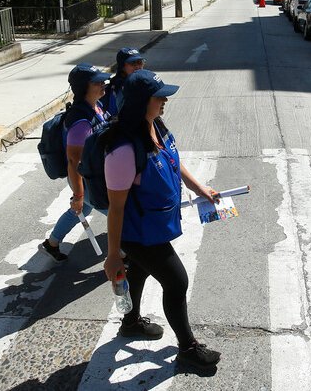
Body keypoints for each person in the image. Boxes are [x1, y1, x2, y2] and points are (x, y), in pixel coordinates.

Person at [101, 69, 222, 371]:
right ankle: (188, 348)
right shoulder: (123, 150)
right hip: (138, 232)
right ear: (142, 101)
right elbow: (116, 209)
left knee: (140, 272)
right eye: (159, 96)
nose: (165, 100)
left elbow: (173, 161)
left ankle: (130, 323)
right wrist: (113, 255)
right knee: (177, 281)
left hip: (155, 225)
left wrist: (200, 188)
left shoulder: (156, 125)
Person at [39, 64, 112, 263]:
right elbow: (74, 162)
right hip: (87, 181)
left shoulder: (96, 106)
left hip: (95, 175)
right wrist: (78, 195)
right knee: (120, 215)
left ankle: (51, 244)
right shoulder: (80, 122)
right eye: (97, 82)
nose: (103, 84)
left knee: (82, 210)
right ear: (83, 87)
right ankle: (124, 255)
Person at [100, 48, 145, 118]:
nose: (137, 67)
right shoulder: (118, 88)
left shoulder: (143, 82)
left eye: (140, 62)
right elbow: (114, 114)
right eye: (132, 63)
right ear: (122, 67)